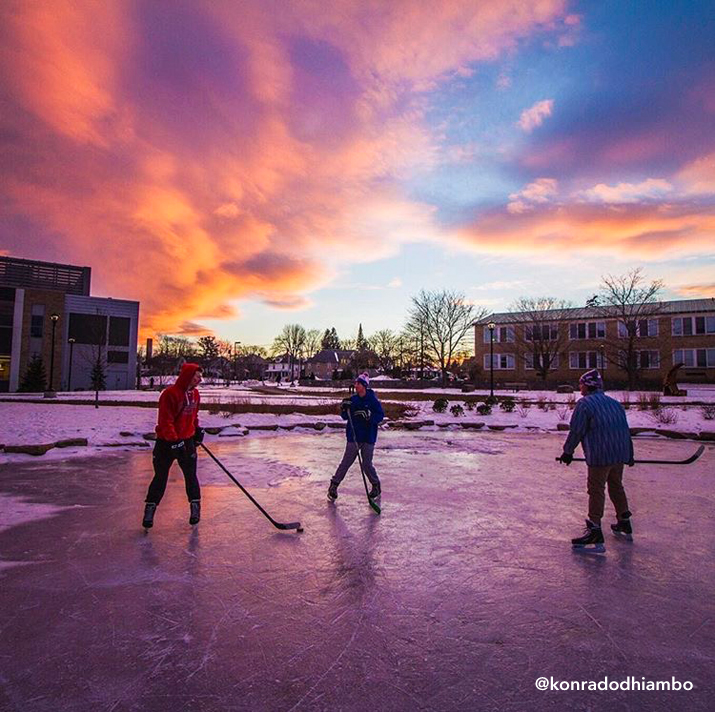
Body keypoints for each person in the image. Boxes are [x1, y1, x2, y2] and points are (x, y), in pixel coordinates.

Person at [559, 369, 634, 552]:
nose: (580, 387)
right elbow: (625, 431)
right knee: (616, 485)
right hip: (619, 453)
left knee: (596, 490)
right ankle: (624, 520)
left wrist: (567, 452)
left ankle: (594, 528)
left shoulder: (585, 405)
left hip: (600, 455)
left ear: (588, 385)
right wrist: (629, 455)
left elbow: (577, 430)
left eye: (581, 384)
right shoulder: (614, 404)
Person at [142, 363, 205, 529]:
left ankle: (195, 508)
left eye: (200, 376)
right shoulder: (170, 394)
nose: (199, 379)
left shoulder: (196, 395)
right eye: (197, 376)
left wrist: (197, 430)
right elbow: (165, 420)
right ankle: (150, 508)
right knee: (160, 476)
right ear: (188, 376)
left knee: (191, 476)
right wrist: (174, 441)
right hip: (166, 443)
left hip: (187, 440)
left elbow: (193, 415)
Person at [328, 372, 384, 502]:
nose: (355, 385)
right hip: (354, 436)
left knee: (367, 464)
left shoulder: (373, 400)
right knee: (346, 462)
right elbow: (345, 417)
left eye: (358, 383)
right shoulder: (353, 400)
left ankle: (376, 485)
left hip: (368, 437)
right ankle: (334, 485)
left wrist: (370, 417)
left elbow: (380, 416)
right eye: (356, 383)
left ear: (364, 385)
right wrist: (344, 409)